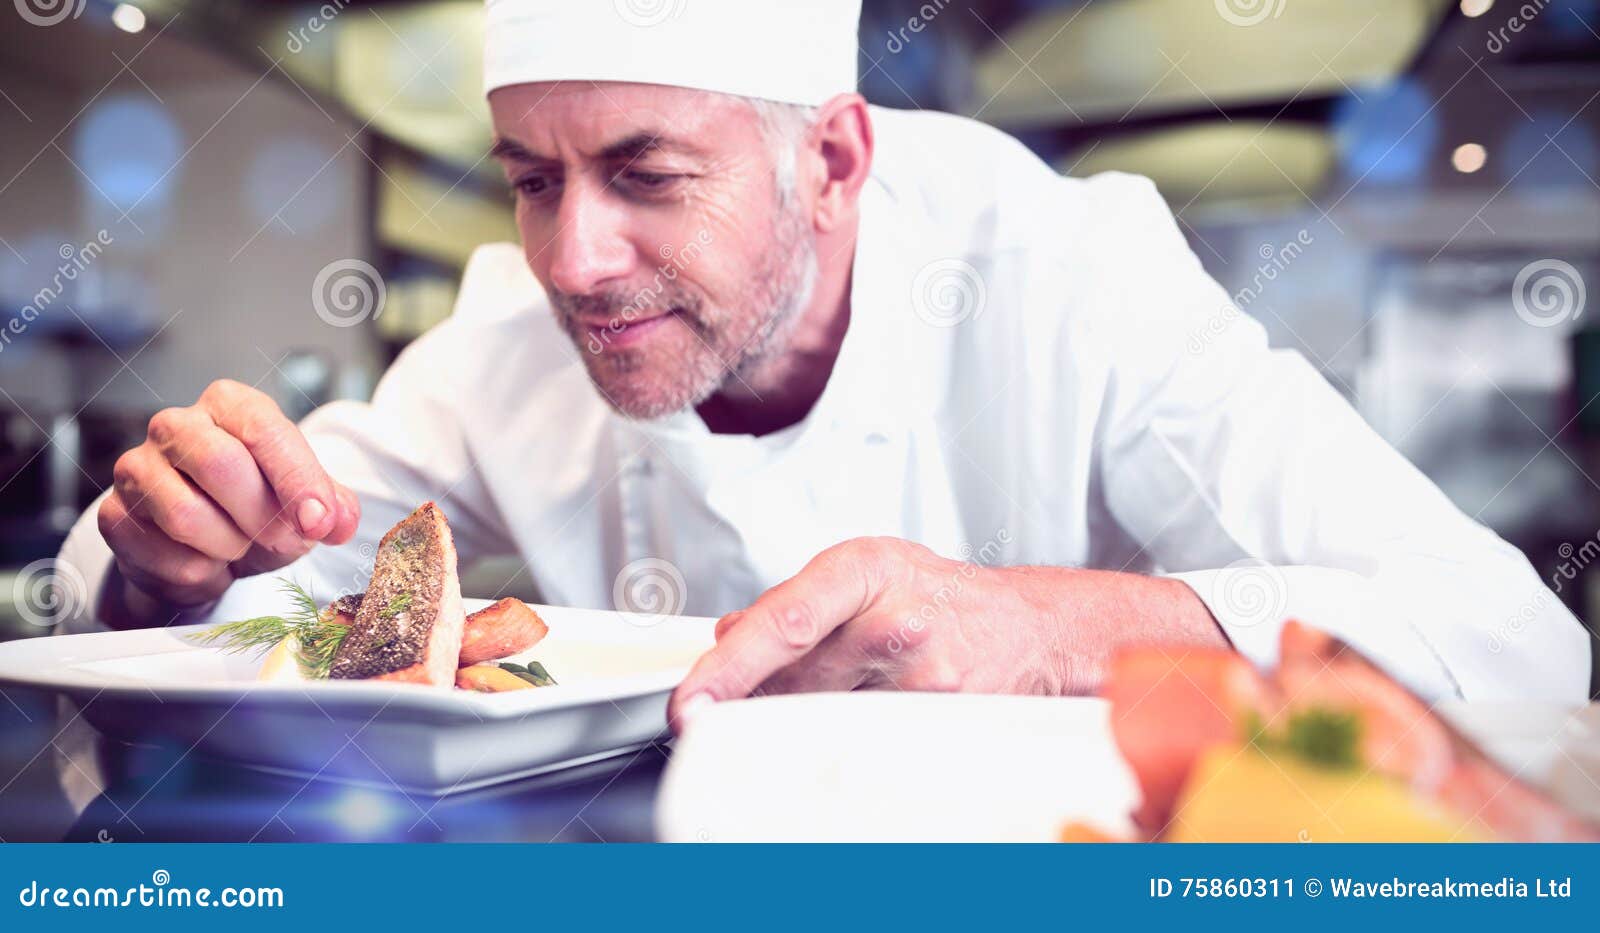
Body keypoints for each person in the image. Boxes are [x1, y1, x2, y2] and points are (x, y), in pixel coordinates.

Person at [55, 0, 1591, 725]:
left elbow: (1517, 651)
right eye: (532, 177)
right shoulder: (511, 336)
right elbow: (208, 591)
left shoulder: (1072, 277)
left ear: (835, 160)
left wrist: (1057, 628)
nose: (572, 259)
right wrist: (176, 556)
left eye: (650, 174)